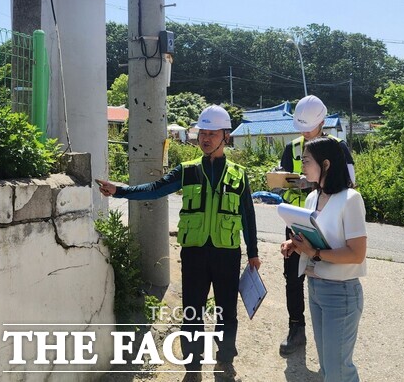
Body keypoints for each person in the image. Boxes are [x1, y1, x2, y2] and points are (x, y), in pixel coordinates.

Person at [98, 105, 260, 382]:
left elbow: (247, 213)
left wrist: (254, 253)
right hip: (195, 252)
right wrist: (121, 190)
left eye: (212, 133)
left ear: (225, 136)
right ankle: (193, 364)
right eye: (202, 134)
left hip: (227, 253)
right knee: (193, 311)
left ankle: (225, 356)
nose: (205, 139)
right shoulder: (187, 171)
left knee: (226, 310)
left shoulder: (238, 174)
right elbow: (155, 188)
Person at [280, 136, 367, 382]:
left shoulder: (350, 199)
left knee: (339, 370)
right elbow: (316, 237)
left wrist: (314, 253)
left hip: (341, 293)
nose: (302, 167)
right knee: (329, 368)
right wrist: (294, 244)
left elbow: (357, 253)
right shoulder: (312, 198)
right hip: (316, 287)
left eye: (306, 161)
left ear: (326, 164)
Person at [278, 95, 355, 356]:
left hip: (326, 223)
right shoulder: (292, 147)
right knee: (292, 276)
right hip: (296, 219)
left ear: (322, 122)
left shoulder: (337, 147)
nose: (304, 133)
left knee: (324, 270)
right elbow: (283, 174)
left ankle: (330, 330)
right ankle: (296, 328)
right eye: (300, 127)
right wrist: (283, 179)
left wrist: (310, 183)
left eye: (308, 127)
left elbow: (349, 183)